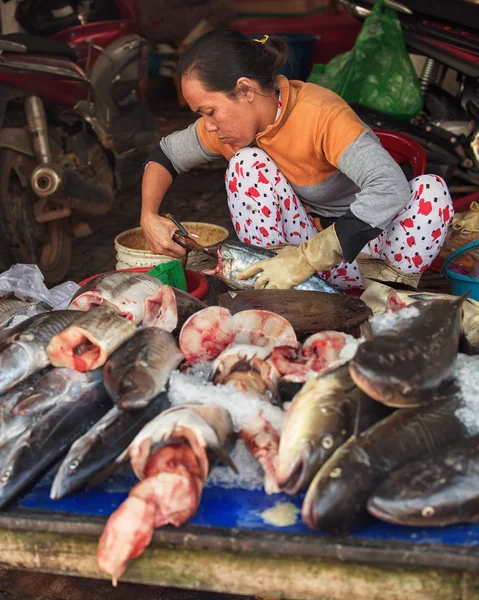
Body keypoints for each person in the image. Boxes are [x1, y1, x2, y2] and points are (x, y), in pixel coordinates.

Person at [140, 29, 454, 290]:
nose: (208, 125)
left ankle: (383, 304)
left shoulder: (319, 114)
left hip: (374, 259)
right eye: (202, 115)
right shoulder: (226, 128)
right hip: (299, 268)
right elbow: (165, 155)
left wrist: (308, 258)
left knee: (431, 190)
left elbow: (390, 186)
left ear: (246, 90)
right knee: (246, 164)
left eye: (210, 112)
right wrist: (149, 215)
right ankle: (275, 291)